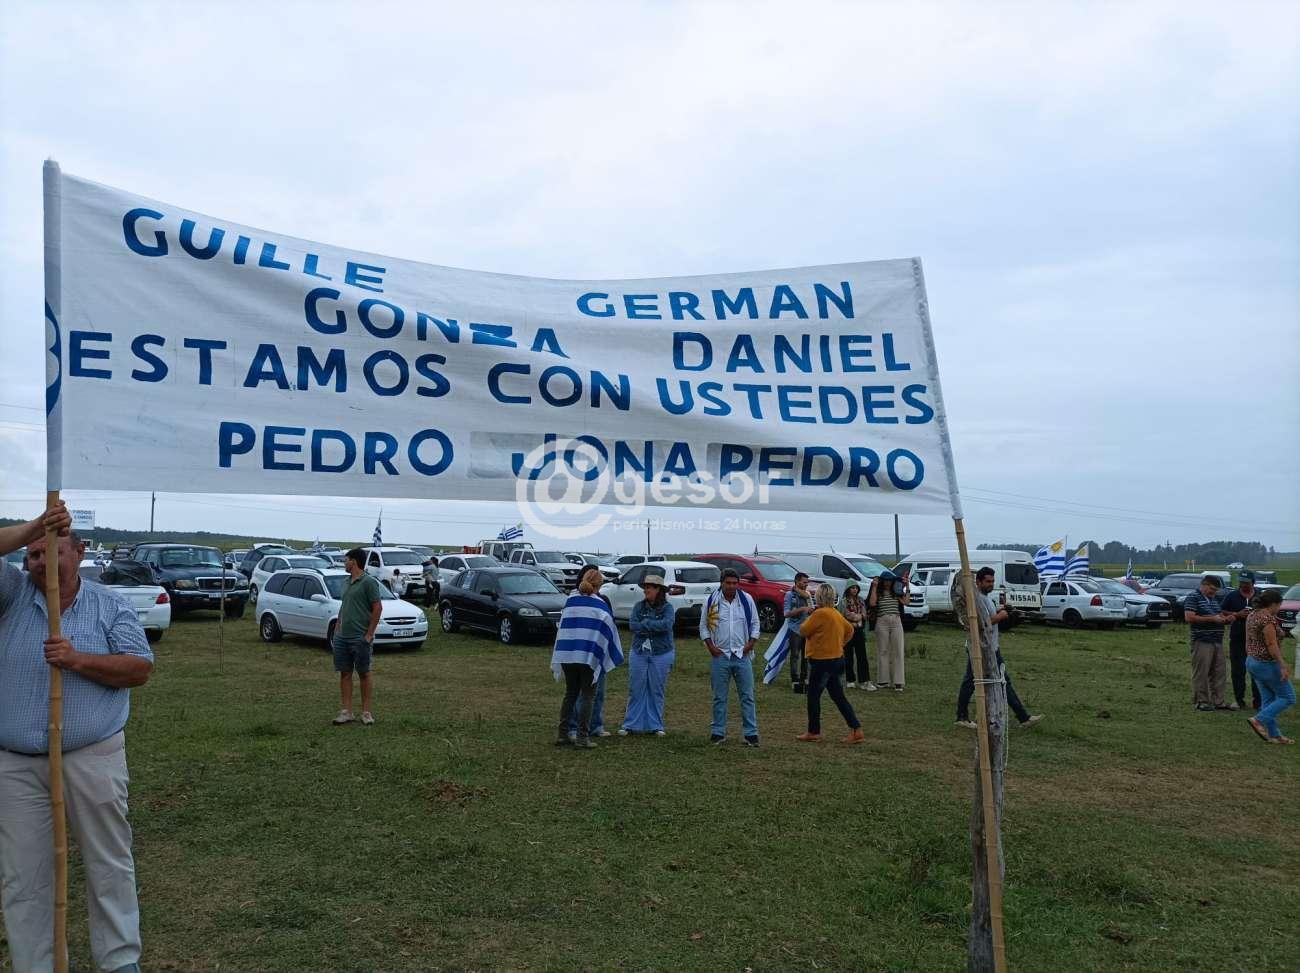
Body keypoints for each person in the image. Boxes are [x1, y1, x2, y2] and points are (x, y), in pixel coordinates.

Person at [0, 501, 153, 972]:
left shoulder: (111, 605)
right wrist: (36, 526)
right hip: (18, 763)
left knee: (109, 863)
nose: (41, 562)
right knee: (23, 874)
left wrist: (76, 659)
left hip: (92, 756)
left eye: (52, 550)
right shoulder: (10, 596)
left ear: (80, 552)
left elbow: (138, 668)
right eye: (33, 554)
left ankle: (119, 961)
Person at [954, 568, 1044, 730]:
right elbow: (979, 624)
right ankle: (1022, 717)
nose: (991, 584)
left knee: (998, 681)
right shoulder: (976, 600)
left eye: (992, 581)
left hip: (991, 647)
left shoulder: (986, 599)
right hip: (980, 648)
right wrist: (999, 616)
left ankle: (1022, 717)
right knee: (985, 682)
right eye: (988, 581)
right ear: (978, 582)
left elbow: (988, 617)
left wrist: (1001, 611)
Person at [551, 566, 623, 748]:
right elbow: (609, 631)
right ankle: (582, 737)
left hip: (568, 654)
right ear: (599, 585)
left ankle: (562, 734)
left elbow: (563, 628)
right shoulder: (600, 606)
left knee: (570, 694)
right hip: (589, 656)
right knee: (588, 696)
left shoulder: (570, 601)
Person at [796, 583, 865, 744]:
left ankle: (814, 731)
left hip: (821, 661)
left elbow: (803, 631)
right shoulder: (835, 613)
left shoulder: (819, 614)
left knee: (813, 696)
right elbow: (850, 630)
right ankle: (856, 729)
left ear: (819, 597)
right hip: (837, 659)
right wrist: (840, 644)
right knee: (838, 696)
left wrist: (809, 617)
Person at [701, 568, 761, 746]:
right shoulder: (711, 601)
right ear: (721, 583)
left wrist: (750, 644)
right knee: (719, 697)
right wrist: (711, 647)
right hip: (720, 655)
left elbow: (755, 624)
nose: (732, 586)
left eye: (735, 583)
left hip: (742, 655)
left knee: (747, 696)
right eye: (728, 583)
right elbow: (703, 626)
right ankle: (718, 732)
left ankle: (751, 734)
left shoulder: (746, 600)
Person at [620, 572, 677, 736]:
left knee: (656, 688)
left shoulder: (668, 608)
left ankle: (655, 725)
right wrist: (653, 625)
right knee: (636, 687)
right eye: (645, 587)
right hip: (639, 651)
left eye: (649, 587)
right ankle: (630, 724)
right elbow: (633, 625)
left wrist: (645, 623)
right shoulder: (639, 606)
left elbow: (667, 625)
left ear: (658, 590)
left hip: (662, 653)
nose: (646, 590)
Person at [334, 548, 385, 725]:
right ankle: (347, 712)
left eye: (346, 560)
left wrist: (369, 634)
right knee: (345, 673)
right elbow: (344, 605)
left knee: (364, 673)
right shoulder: (346, 582)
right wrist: (338, 627)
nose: (344, 563)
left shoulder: (368, 582)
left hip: (360, 637)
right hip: (342, 637)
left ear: (354, 561)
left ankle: (366, 712)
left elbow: (377, 608)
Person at [566, 566, 613, 740]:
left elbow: (609, 625)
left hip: (594, 652)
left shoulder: (603, 601)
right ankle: (575, 729)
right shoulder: (574, 600)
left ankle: (595, 725)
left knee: (596, 693)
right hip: (581, 654)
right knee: (581, 693)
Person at [1245, 590, 1294, 744]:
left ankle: (1275, 735)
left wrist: (1250, 656)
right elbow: (1272, 644)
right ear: (1273, 604)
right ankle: (1258, 720)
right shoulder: (1267, 619)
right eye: (1279, 605)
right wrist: (1282, 665)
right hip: (1267, 664)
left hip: (1253, 661)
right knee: (1288, 697)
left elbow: (1248, 639)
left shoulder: (1252, 615)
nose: (1279, 609)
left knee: (1268, 700)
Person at [1184, 575, 1233, 712]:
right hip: (1202, 640)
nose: (1213, 592)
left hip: (1217, 640)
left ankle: (1218, 701)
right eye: (1212, 589)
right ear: (1204, 585)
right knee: (1202, 672)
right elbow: (1189, 617)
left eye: (1216, 590)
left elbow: (1218, 616)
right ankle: (1201, 701)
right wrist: (1213, 619)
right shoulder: (1193, 597)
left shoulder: (1213, 600)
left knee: (1219, 672)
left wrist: (1226, 619)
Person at [1221, 577, 1261, 711]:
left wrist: (1255, 614)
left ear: (1253, 583)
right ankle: (1239, 700)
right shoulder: (1232, 596)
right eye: (1241, 582)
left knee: (1257, 671)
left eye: (1246, 583)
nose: (1243, 584)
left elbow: (1269, 611)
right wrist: (1237, 614)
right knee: (1238, 670)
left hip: (1257, 639)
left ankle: (1258, 702)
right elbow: (1222, 610)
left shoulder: (1260, 596)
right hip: (1237, 639)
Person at [869, 568, 909, 691]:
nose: (887, 583)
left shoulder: (896, 591)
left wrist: (907, 587)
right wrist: (874, 587)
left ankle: (898, 682)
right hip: (882, 621)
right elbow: (872, 603)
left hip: (896, 621)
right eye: (885, 580)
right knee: (883, 650)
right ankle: (883, 680)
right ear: (882, 581)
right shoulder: (878, 592)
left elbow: (906, 602)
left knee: (898, 650)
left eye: (890, 580)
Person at [839, 582, 875, 690]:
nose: (854, 590)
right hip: (848, 631)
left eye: (856, 588)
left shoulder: (861, 600)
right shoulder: (843, 601)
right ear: (848, 589)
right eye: (852, 588)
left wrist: (858, 616)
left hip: (859, 630)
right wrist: (857, 616)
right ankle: (850, 680)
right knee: (848, 656)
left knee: (862, 656)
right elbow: (845, 614)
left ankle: (864, 680)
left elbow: (864, 615)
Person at [783, 573, 815, 693]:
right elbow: (786, 613)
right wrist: (801, 609)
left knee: (806, 655)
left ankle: (804, 678)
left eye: (807, 582)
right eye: (804, 582)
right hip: (795, 629)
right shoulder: (789, 595)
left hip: (807, 629)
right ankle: (794, 679)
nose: (806, 585)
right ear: (797, 582)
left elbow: (812, 609)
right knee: (795, 655)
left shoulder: (808, 595)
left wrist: (811, 611)